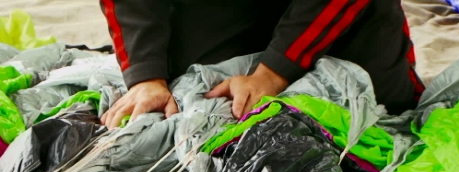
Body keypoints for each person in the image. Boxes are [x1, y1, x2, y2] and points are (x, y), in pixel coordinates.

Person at [99, 0, 425, 129]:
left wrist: (271, 75)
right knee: (189, 103)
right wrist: (146, 76)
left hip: (344, 25)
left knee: (365, 107)